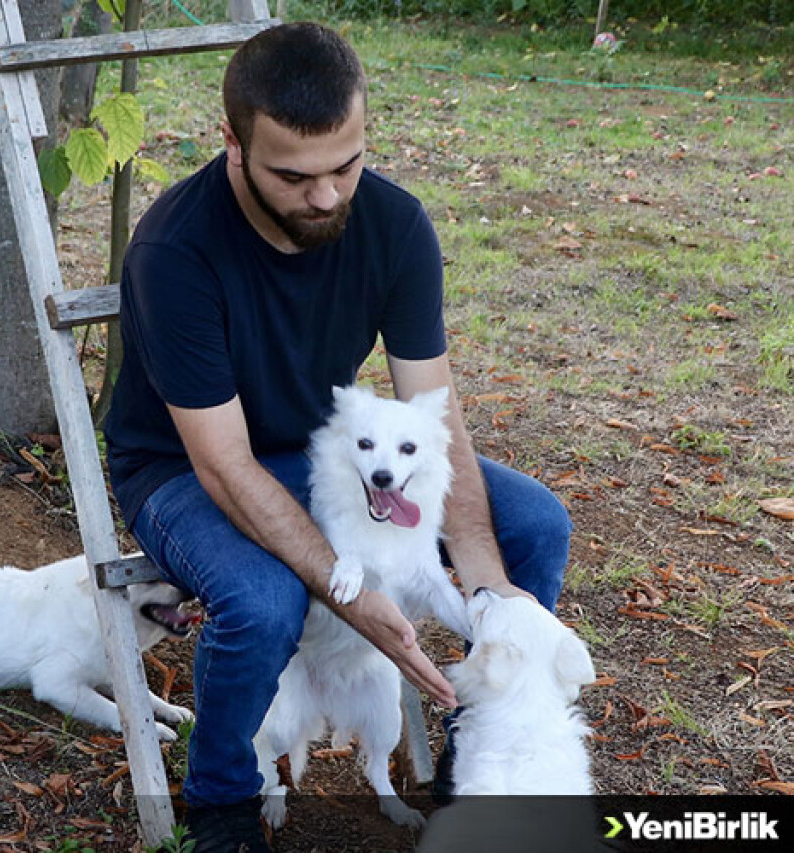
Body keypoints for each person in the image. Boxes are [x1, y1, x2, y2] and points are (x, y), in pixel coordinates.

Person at [103, 21, 570, 852]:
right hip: (185, 466)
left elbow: (434, 422)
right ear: (233, 145)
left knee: (532, 525)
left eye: (345, 166)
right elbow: (223, 462)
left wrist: (489, 583)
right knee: (265, 599)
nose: (326, 196)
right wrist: (350, 593)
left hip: (337, 453)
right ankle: (221, 802)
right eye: (294, 175)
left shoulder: (393, 225)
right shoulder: (176, 250)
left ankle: (476, 750)